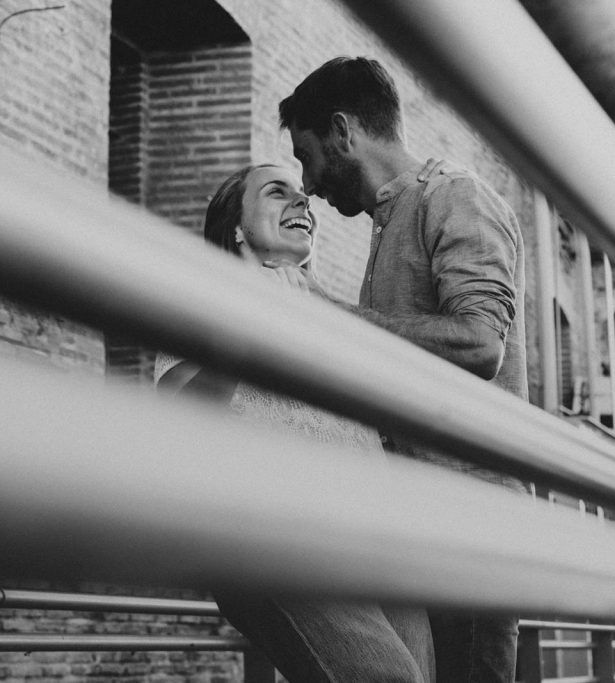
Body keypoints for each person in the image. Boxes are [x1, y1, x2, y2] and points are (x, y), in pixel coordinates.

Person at [278, 56, 528, 682]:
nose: (306, 184)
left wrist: (330, 318)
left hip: (469, 525)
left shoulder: (456, 196)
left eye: (306, 156)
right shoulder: (390, 222)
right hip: (419, 523)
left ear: (343, 132)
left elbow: (479, 344)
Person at [155, 163, 436, 682]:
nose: (302, 200)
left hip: (380, 544)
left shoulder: (340, 319)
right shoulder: (200, 300)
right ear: (236, 227)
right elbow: (175, 416)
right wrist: (259, 332)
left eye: (302, 196)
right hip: (278, 537)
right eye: (276, 192)